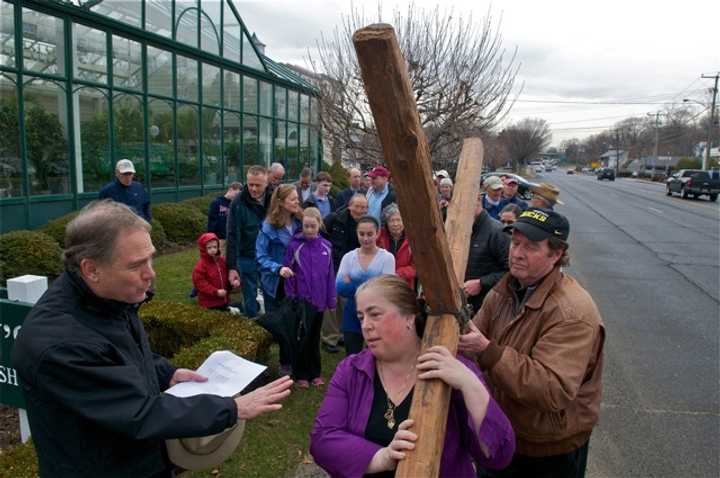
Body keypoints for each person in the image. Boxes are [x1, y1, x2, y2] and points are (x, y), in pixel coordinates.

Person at [11, 200, 292, 478]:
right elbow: (138, 413)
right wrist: (232, 408)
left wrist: (166, 373)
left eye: (151, 258)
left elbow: (119, 355)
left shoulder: (106, 298)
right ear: (91, 269)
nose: (151, 273)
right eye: (136, 265)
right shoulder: (59, 344)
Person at [310, 275, 515, 477]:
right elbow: (322, 440)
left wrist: (471, 385)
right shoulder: (351, 370)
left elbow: (498, 455)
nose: (365, 326)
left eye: (375, 314)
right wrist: (382, 457)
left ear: (408, 316)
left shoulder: (453, 369)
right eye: (361, 317)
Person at [460, 208, 605, 478]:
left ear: (556, 254)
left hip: (547, 450)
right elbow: (474, 333)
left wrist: (487, 351)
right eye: (515, 243)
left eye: (531, 247)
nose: (516, 253)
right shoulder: (507, 288)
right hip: (502, 431)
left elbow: (552, 388)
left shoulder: (572, 312)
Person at [283, 207, 336, 389]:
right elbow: (288, 272)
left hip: (320, 301)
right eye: (306, 226)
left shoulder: (327, 247)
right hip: (303, 301)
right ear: (302, 225)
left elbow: (330, 275)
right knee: (303, 338)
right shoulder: (295, 246)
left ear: (319, 225)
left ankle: (315, 373)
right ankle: (301, 374)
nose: (309, 230)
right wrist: (292, 297)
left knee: (314, 337)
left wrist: (331, 300)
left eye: (313, 226)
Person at [256, 184, 303, 375]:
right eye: (293, 199)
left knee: (295, 322)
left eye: (297, 198)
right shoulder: (269, 226)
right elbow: (260, 256)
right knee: (281, 325)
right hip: (276, 283)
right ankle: (285, 363)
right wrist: (278, 268)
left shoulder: (300, 221)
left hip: (297, 281)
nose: (297, 202)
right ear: (281, 203)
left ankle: (296, 359)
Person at [335, 216, 395, 356]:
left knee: (377, 356)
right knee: (352, 355)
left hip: (378, 315)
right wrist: (373, 283)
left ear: (377, 233)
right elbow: (340, 287)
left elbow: (387, 290)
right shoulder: (348, 257)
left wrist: (352, 283)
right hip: (352, 314)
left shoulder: (387, 258)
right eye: (361, 234)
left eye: (369, 234)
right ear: (357, 233)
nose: (365, 238)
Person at [321, 194, 369, 354]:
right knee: (332, 303)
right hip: (333, 266)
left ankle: (341, 333)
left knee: (346, 302)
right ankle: (329, 338)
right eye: (358, 206)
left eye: (364, 207)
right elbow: (320, 235)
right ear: (350, 206)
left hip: (354, 269)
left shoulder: (366, 224)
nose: (361, 210)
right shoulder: (334, 219)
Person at [227, 166, 271, 319]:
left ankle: (274, 321)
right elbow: (232, 235)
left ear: (266, 182)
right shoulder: (237, 203)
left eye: (257, 185)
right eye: (250, 184)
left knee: (271, 290)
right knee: (250, 294)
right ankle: (252, 321)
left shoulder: (274, 198)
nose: (253, 188)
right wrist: (232, 266)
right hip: (247, 255)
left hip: (269, 255)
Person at [463, 193, 510, 314]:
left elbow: (511, 271)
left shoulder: (497, 232)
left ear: (478, 200)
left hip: (486, 308)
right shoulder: (460, 228)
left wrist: (481, 283)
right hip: (463, 305)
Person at [377, 203, 416, 289]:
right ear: (386, 223)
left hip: (404, 284)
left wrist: (398, 274)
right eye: (391, 220)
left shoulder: (413, 238)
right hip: (382, 283)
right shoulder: (379, 237)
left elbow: (416, 266)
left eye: (399, 220)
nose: (395, 224)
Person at [192, 232, 231, 311]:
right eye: (209, 248)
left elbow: (227, 275)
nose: (213, 250)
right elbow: (200, 284)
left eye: (215, 247)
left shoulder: (221, 261)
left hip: (223, 299)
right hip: (209, 303)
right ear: (203, 249)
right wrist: (215, 292)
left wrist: (232, 283)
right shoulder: (200, 266)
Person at [207, 182, 242, 247]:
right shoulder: (216, 202)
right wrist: (210, 238)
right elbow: (211, 222)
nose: (237, 197)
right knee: (219, 256)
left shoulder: (236, 204)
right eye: (236, 194)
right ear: (231, 189)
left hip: (232, 238)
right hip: (219, 238)